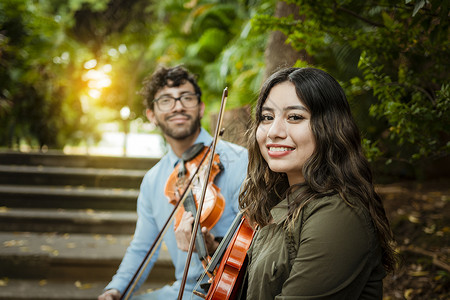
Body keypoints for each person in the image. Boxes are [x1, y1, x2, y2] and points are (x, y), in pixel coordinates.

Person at [237, 67, 396, 299]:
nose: (274, 131)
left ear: (329, 127)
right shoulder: (279, 201)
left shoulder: (339, 213)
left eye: (295, 117)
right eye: (267, 117)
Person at [98, 65, 248, 300]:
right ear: (151, 115)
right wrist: (115, 290)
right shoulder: (153, 181)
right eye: (166, 100)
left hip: (236, 290)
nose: (178, 106)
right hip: (184, 291)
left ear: (200, 108)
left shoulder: (239, 161)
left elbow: (260, 242)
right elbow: (142, 248)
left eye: (186, 98)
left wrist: (214, 246)